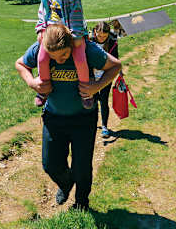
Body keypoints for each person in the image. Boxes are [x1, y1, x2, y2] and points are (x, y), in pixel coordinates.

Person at [15, 24, 122, 211]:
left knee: (82, 167)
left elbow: (115, 66)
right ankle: (65, 184)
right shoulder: (41, 47)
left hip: (84, 119)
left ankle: (82, 203)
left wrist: (97, 86)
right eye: (53, 57)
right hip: (53, 118)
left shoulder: (87, 50)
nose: (59, 60)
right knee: (50, 164)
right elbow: (20, 64)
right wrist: (32, 82)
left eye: (63, 55)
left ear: (71, 45)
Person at [33, 0, 92, 108]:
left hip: (71, 30)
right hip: (52, 32)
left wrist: (76, 35)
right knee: (42, 58)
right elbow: (43, 11)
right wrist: (40, 29)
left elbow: (76, 11)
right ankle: (44, 89)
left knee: (80, 60)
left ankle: (85, 92)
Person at [91, 21, 120, 138]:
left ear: (108, 34)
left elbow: (115, 58)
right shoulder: (89, 42)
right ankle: (91, 124)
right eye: (99, 35)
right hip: (92, 75)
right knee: (92, 101)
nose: (101, 38)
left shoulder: (112, 42)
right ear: (95, 32)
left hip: (106, 76)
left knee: (103, 100)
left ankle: (104, 126)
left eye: (104, 36)